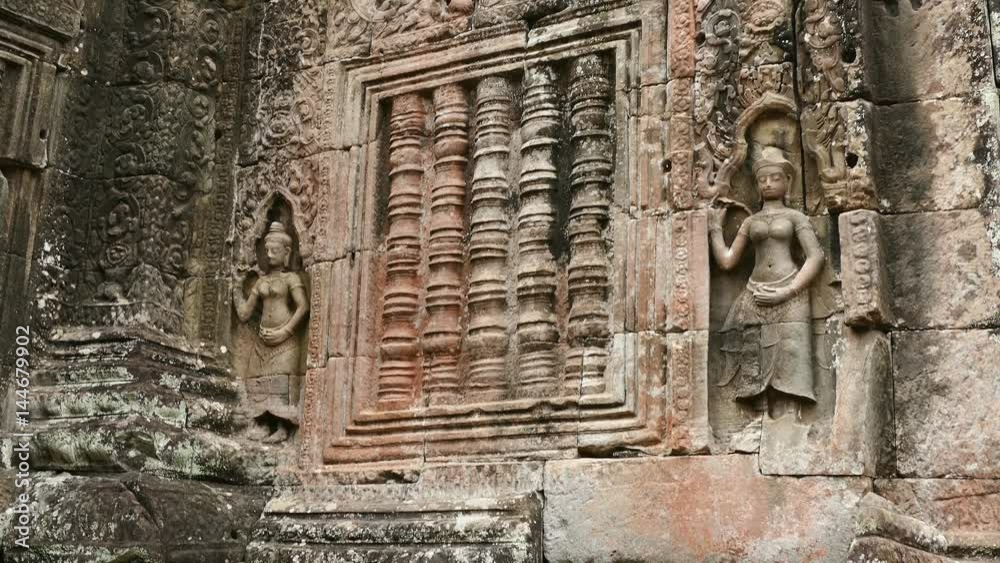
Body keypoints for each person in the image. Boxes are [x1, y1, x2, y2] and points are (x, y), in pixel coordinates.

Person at [707, 146, 825, 419]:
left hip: (791, 291)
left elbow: (815, 257)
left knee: (791, 354)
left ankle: (790, 418)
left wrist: (788, 290)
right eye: (763, 179)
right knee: (754, 357)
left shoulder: (796, 218)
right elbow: (726, 261)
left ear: (788, 182)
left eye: (775, 178)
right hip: (756, 293)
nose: (769, 183)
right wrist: (714, 229)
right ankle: (758, 419)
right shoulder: (751, 221)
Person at [233, 222, 309, 442]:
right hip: (263, 339)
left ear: (287, 253)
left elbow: (303, 307)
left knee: (281, 382)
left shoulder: (291, 279)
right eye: (267, 251)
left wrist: (285, 331)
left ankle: (282, 427)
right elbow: (245, 314)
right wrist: (237, 288)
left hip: (285, 339)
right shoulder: (262, 281)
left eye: (275, 251)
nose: (269, 255)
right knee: (256, 376)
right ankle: (263, 424)